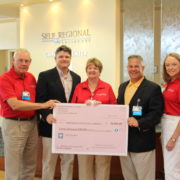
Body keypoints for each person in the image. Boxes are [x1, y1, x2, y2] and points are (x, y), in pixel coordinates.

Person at [0, 48, 57, 180]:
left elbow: (37, 98)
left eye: (26, 61)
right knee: (14, 164)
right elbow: (15, 104)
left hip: (32, 123)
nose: (24, 63)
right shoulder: (4, 79)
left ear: (30, 62)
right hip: (14, 124)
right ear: (13, 61)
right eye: (20, 60)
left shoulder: (31, 77)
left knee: (30, 163)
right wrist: (44, 105)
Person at [36, 45, 81, 180]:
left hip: (69, 128)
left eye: (67, 57)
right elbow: (39, 99)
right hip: (50, 125)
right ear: (55, 58)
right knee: (49, 162)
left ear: (70, 59)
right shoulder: (45, 76)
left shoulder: (77, 77)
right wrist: (46, 115)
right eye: (61, 56)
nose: (64, 59)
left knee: (68, 161)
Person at [117, 55, 164, 180]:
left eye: (136, 66)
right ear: (127, 68)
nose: (133, 69)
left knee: (145, 177)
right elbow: (118, 109)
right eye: (130, 66)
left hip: (142, 141)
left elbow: (156, 114)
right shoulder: (122, 87)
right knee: (128, 177)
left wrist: (139, 122)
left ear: (142, 68)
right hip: (124, 142)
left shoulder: (153, 88)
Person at [71, 58, 116, 180]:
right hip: (83, 134)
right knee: (84, 166)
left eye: (95, 68)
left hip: (103, 134)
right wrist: (82, 106)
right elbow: (72, 109)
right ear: (86, 70)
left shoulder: (107, 87)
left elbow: (115, 109)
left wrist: (101, 108)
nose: (92, 70)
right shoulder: (79, 87)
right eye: (89, 68)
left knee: (103, 164)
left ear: (100, 71)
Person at [161, 53, 180, 180]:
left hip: (175, 127)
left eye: (174, 64)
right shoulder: (168, 84)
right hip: (167, 125)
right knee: (170, 166)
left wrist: (173, 138)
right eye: (167, 65)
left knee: (172, 170)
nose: (170, 67)